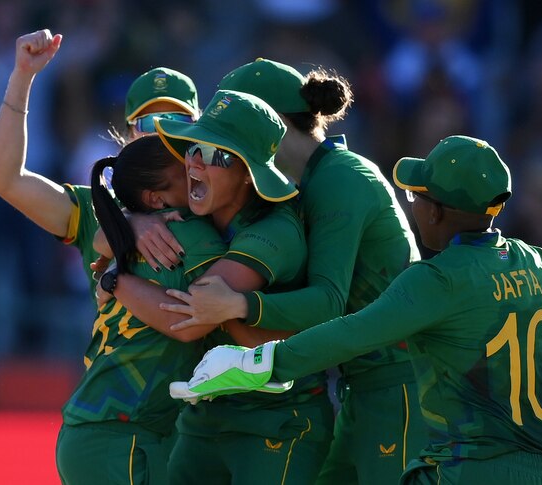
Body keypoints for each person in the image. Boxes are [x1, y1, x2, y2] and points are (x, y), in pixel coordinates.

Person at [170, 135, 542, 484]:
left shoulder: (438, 280)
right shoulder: (538, 262)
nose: (411, 206)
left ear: (437, 212)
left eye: (417, 198)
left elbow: (352, 333)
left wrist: (256, 362)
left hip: (470, 469)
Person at [159, 58, 426, 483]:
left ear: (272, 124)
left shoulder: (341, 178)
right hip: (365, 386)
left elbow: (328, 301)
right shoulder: (300, 182)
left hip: (400, 386)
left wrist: (241, 306)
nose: (208, 153)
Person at [97, 90, 334, 484]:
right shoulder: (190, 214)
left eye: (217, 156)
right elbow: (99, 239)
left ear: (249, 172)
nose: (194, 166)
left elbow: (191, 318)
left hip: (275, 423)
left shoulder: (274, 229)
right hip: (204, 419)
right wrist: (132, 223)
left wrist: (115, 280)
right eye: (193, 151)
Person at [55, 134, 226, 485]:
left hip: (106, 429)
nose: (195, 169)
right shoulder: (190, 234)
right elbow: (190, 322)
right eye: (183, 170)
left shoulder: (124, 231)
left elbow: (101, 238)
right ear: (155, 198)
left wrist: (115, 264)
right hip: (120, 432)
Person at [0, 28, 199, 298]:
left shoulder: (214, 201)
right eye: (149, 124)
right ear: (130, 133)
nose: (163, 133)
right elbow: (3, 179)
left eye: (177, 121)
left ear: (197, 130)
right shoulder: (98, 208)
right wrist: (22, 76)